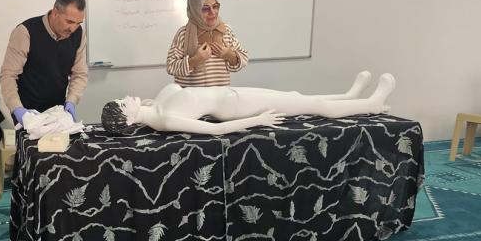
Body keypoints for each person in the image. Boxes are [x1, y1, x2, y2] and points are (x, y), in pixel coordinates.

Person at [101, 70, 395, 136]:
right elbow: (216, 130)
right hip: (239, 107)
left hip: (234, 92)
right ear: (129, 119)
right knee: (314, 107)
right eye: (124, 104)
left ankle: (349, 96)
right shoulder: (165, 120)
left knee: (295, 97)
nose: (126, 98)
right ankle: (371, 104)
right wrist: (258, 121)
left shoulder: (155, 104)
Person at [0, 0, 88, 126]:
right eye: (69, 21)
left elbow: (80, 73)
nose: (73, 28)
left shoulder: (78, 34)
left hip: (58, 111)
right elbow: (8, 75)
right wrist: (17, 109)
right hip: (27, 111)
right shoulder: (25, 32)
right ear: (55, 12)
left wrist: (71, 100)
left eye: (78, 23)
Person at [166, 0, 249, 87]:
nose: (212, 12)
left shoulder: (225, 30)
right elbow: (171, 66)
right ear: (195, 11)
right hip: (191, 95)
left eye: (215, 6)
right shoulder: (183, 33)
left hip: (221, 95)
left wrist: (228, 54)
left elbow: (244, 58)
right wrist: (196, 59)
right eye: (205, 9)